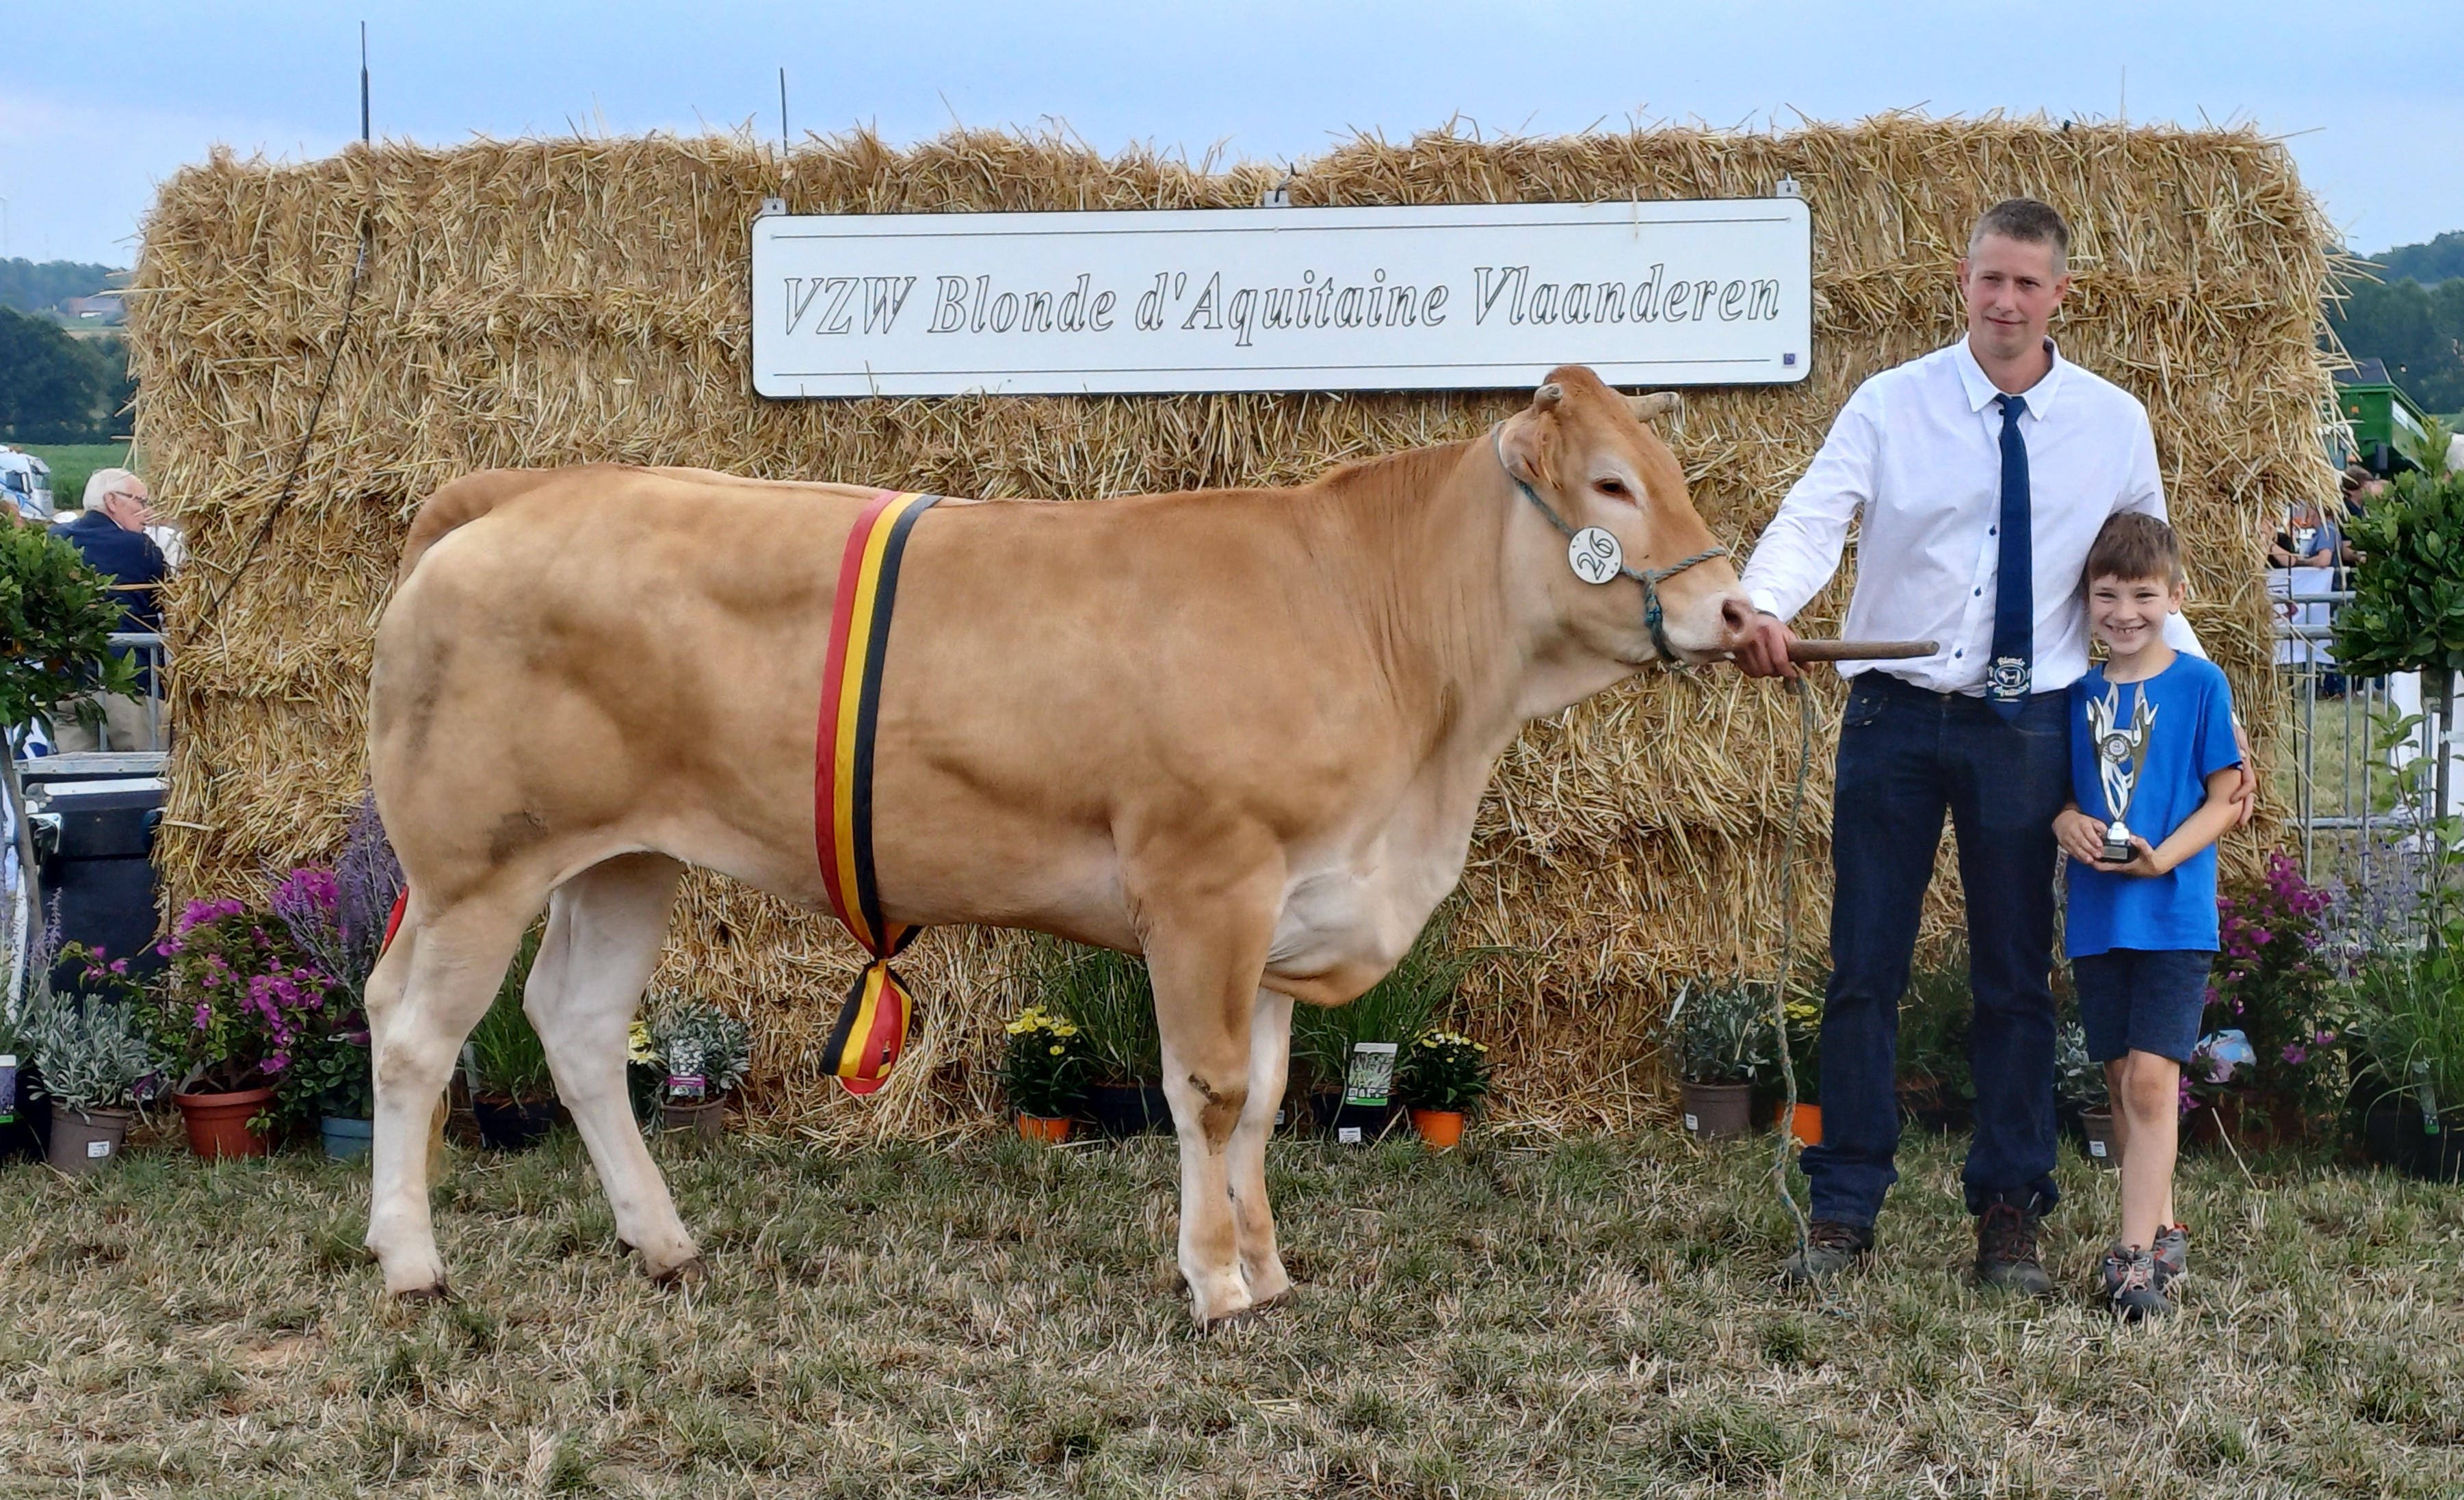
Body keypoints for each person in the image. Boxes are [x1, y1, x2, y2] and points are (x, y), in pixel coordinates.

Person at [1734, 198, 2255, 1293]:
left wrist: (2208, 706)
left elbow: (2146, 567)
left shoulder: (2113, 423)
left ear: (2060, 294)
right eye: (1988, 280)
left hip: (2028, 726)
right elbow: (1814, 513)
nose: (2005, 301)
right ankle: (1841, 1210)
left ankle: (2009, 1210)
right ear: (1961, 284)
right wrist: (1762, 605)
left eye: (2026, 283)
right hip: (1891, 710)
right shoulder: (1892, 403)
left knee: (2014, 976)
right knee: (1862, 967)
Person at [2054, 512, 2241, 1319]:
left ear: (2173, 595)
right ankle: (2164, 1226)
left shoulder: (2199, 684)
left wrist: (2164, 856)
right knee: (2118, 1082)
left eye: (2141, 593)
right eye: (2105, 594)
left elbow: (2227, 796)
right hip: (2098, 915)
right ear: (2084, 599)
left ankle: (2134, 1263)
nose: (2123, 611)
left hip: (2171, 912)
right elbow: (2056, 794)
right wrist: (2062, 817)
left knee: (2150, 1082)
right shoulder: (2075, 694)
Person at [51, 467, 168, 752]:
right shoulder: (139, 547)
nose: (147, 512)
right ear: (112, 501)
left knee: (77, 785)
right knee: (143, 783)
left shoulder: (54, 539)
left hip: (70, 684)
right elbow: (170, 601)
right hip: (129, 687)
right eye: (141, 502)